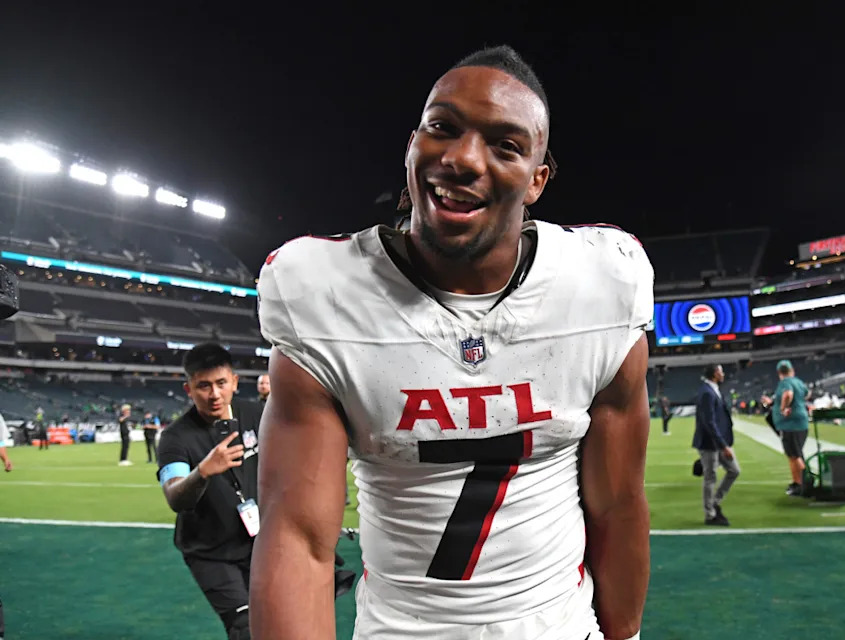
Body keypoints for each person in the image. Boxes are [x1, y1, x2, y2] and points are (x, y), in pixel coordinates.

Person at [252, 45, 654, 640]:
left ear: (537, 180)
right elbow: (298, 539)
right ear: (411, 145)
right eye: (442, 127)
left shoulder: (600, 284)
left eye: (505, 145)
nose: (463, 158)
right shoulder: (325, 294)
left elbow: (617, 505)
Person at [156, 343, 264, 639]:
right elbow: (175, 497)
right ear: (188, 389)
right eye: (203, 386)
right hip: (212, 552)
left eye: (221, 383)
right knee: (246, 628)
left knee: (280, 620)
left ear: (235, 382)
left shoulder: (258, 415)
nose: (214, 394)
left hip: (261, 544)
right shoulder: (175, 438)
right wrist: (202, 472)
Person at [692, 364, 739, 526]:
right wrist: (723, 445)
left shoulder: (712, 390)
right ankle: (710, 514)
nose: (723, 374)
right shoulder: (707, 392)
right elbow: (709, 422)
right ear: (714, 374)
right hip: (710, 443)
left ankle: (714, 502)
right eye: (721, 371)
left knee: (734, 470)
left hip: (718, 441)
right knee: (710, 477)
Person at [769, 360, 810, 496]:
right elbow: (807, 394)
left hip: (790, 425)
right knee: (796, 454)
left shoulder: (785, 382)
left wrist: (783, 408)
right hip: (800, 422)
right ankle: (798, 483)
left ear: (779, 372)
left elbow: (788, 394)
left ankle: (804, 484)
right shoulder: (798, 382)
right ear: (792, 370)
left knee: (794, 455)